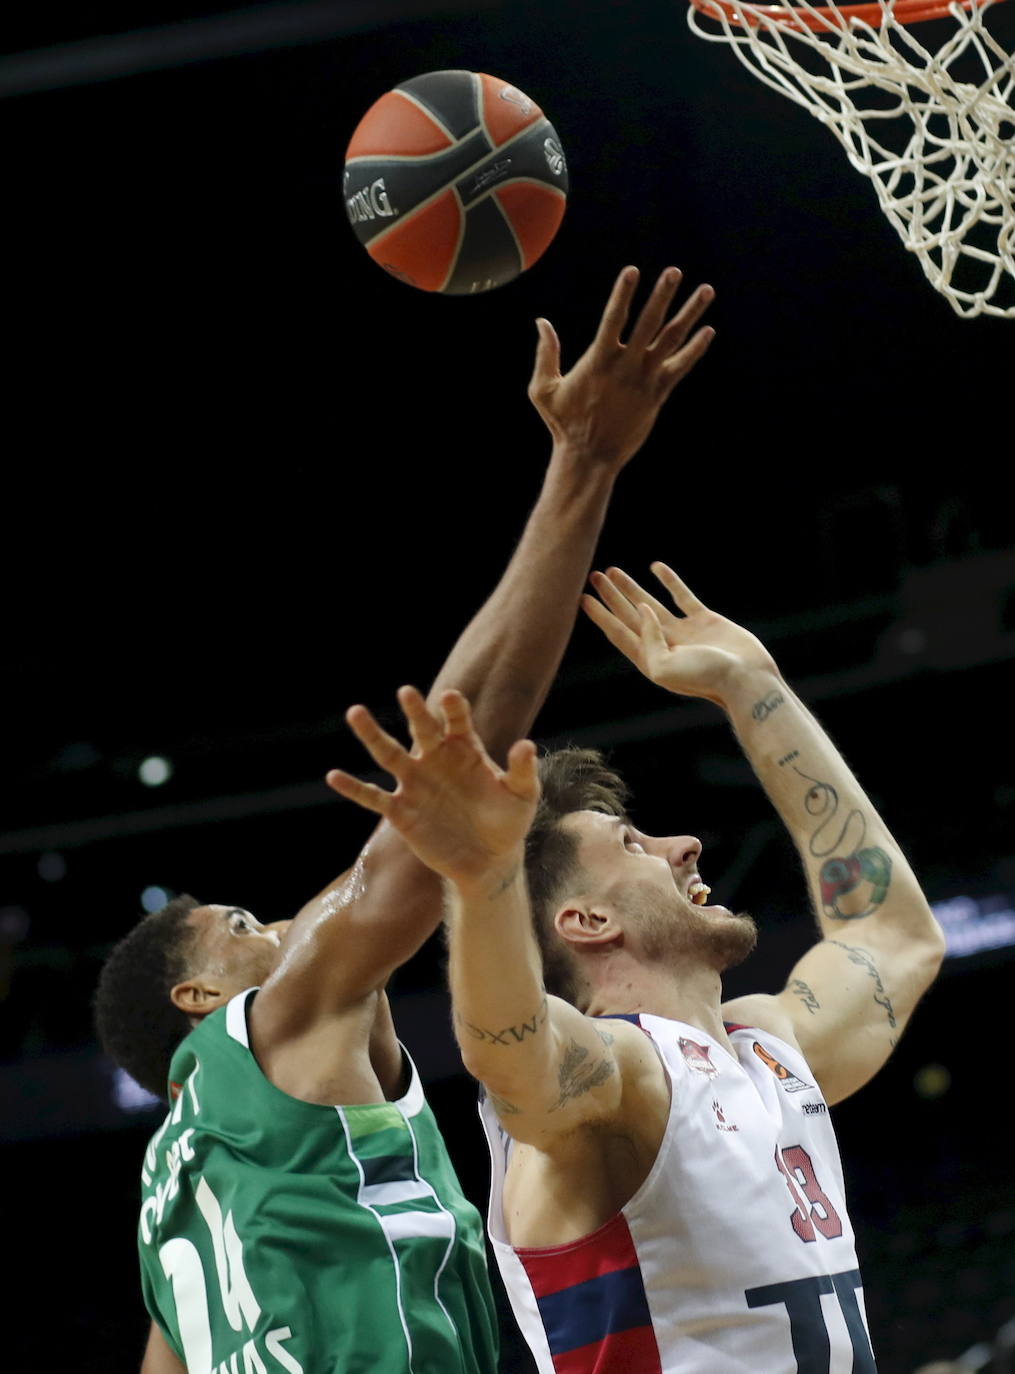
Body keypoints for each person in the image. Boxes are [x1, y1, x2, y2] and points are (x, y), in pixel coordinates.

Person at [92, 266, 716, 1374]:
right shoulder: (274, 1029)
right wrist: (585, 465)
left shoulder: (169, 1202)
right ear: (200, 1000)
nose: (274, 923)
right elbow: (456, 762)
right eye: (238, 923)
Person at [324, 561, 946, 1373]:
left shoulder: (763, 1046)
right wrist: (484, 883)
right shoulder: (618, 1076)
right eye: (632, 844)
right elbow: (512, 1057)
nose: (682, 844)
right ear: (585, 921)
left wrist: (754, 688)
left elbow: (894, 935)